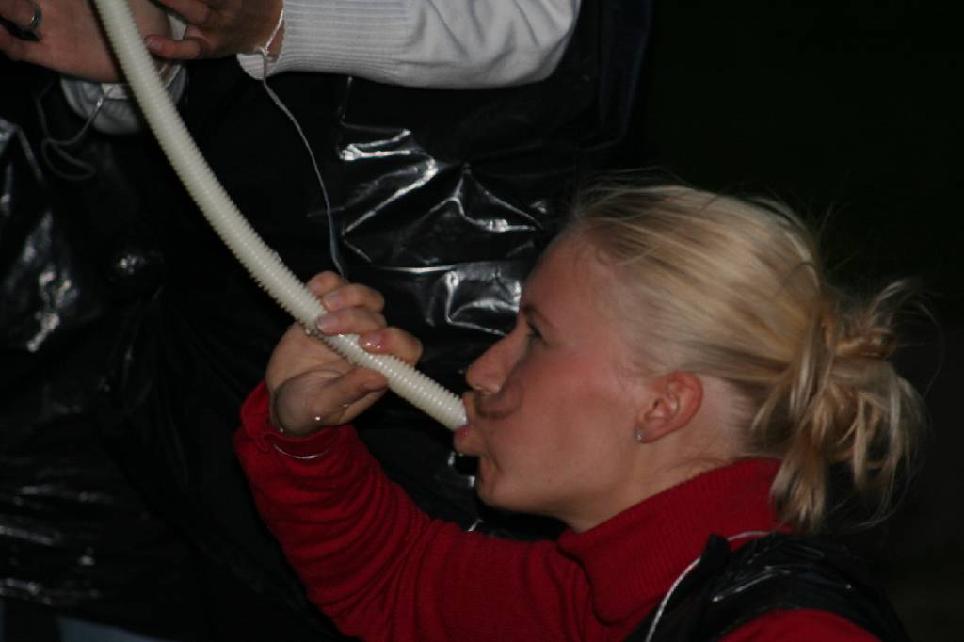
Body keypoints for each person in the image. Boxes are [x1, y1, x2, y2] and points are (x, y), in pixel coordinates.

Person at [235, 182, 921, 641]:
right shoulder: (611, 594)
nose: (482, 371)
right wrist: (304, 437)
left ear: (663, 405)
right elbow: (397, 581)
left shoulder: (786, 630)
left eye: (537, 336)